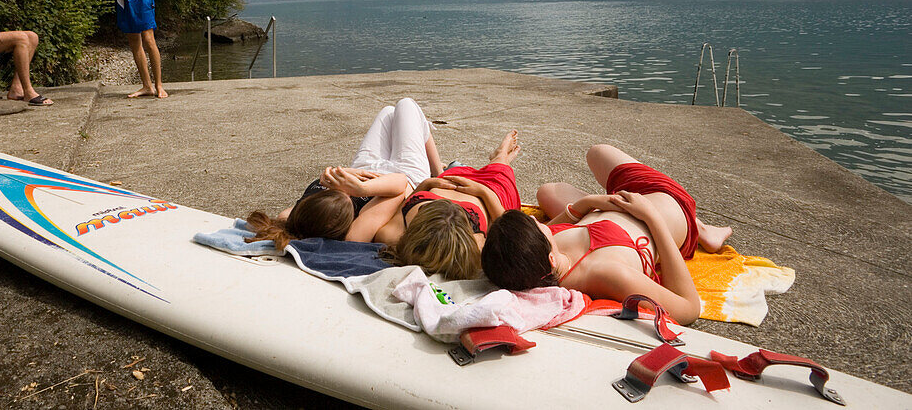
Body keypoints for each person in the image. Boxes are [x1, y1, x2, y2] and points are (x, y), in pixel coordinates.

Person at [480, 144, 733, 325]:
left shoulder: (534, 261)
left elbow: (551, 230)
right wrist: (651, 217)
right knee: (598, 152)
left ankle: (601, 200)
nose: (536, 219)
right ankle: (701, 230)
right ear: (551, 259)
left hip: (614, 205)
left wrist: (588, 203)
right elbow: (688, 309)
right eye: (536, 226)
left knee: (548, 191)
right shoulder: (607, 274)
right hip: (669, 205)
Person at [246, 98, 445, 248]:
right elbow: (400, 185)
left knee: (389, 112)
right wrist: (361, 188)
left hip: (364, 169)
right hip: (404, 175)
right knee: (406, 105)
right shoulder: (355, 234)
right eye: (348, 196)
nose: (344, 190)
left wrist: (339, 174)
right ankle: (440, 172)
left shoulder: (292, 217)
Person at [376, 129, 524, 280]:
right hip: (481, 188)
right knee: (499, 173)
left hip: (449, 179)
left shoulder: (390, 236)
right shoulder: (477, 252)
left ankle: (499, 158)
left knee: (496, 172)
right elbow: (508, 225)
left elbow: (403, 205)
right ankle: (500, 157)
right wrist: (484, 192)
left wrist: (427, 183)